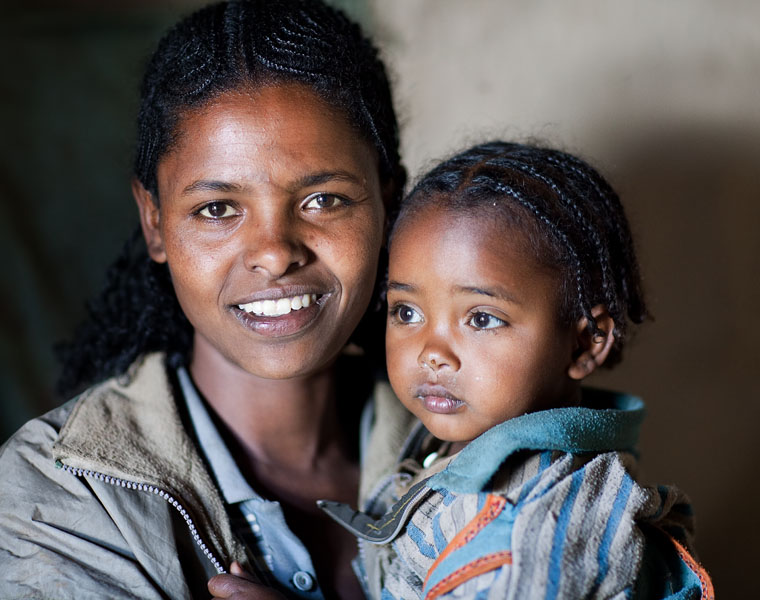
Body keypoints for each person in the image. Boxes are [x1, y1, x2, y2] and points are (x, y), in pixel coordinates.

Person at [0, 1, 416, 598]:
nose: (274, 253)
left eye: (324, 199)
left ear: (386, 201)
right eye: (217, 209)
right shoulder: (61, 494)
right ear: (155, 224)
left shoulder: (480, 441)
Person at [209, 141, 714, 599]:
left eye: (481, 318)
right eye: (406, 312)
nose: (432, 352)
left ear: (585, 342)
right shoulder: (450, 445)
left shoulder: (524, 524)